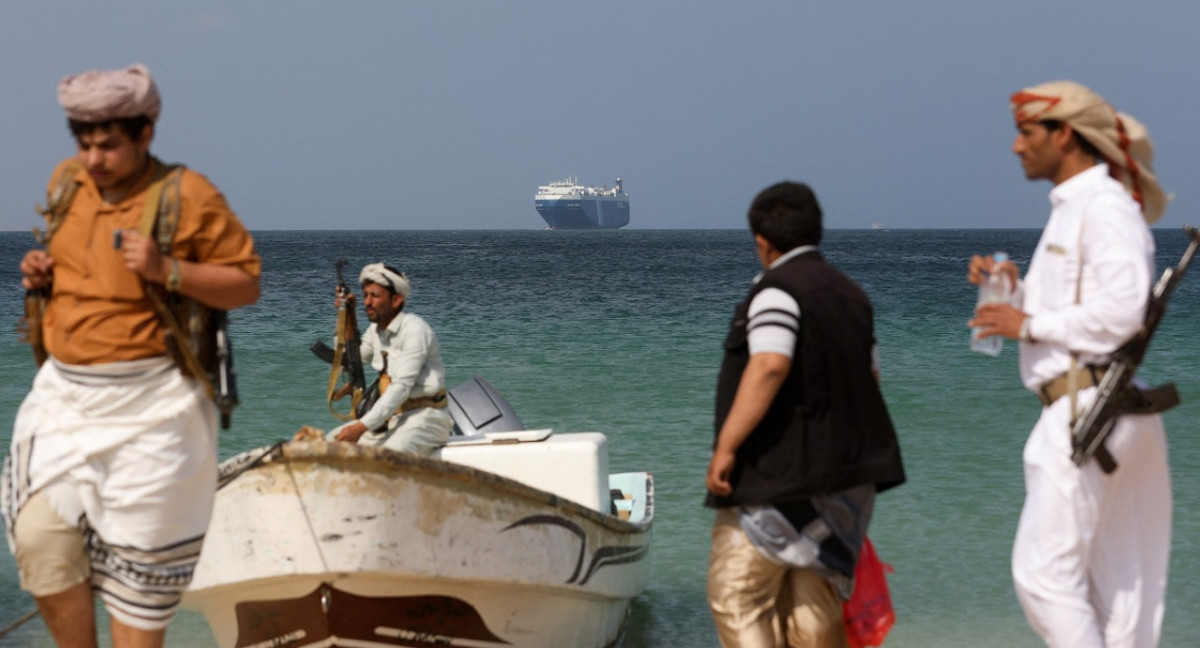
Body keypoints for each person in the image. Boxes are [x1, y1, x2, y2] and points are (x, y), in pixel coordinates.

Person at [1, 64, 261, 647]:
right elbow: (78, 262)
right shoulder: (68, 182)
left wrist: (167, 269)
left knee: (140, 579)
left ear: (145, 135)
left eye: (109, 145)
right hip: (65, 400)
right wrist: (40, 273)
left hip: (156, 407)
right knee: (39, 540)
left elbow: (246, 284)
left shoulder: (187, 195)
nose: (94, 159)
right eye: (85, 144)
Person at [968, 80, 1171, 647]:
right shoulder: (1078, 208)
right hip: (1104, 411)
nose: (1015, 147)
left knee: (1044, 576)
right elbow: (1083, 306)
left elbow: (1122, 311)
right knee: (1119, 591)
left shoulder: (1103, 207)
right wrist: (1014, 291)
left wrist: (1027, 326)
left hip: (1089, 412)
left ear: (1063, 135)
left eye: (1026, 133)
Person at [705, 181, 905, 648]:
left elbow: (770, 365)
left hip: (775, 483)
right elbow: (870, 381)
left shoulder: (775, 291)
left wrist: (727, 447)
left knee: (737, 597)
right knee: (814, 614)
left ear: (762, 242)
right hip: (843, 490)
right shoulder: (853, 296)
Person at [326, 263, 453, 455]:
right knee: (327, 446)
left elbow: (401, 388)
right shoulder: (376, 332)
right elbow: (349, 360)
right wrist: (346, 315)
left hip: (427, 418)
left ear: (396, 300)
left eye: (375, 296)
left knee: (389, 457)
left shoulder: (414, 330)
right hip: (391, 419)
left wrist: (361, 426)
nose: (367, 302)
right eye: (365, 295)